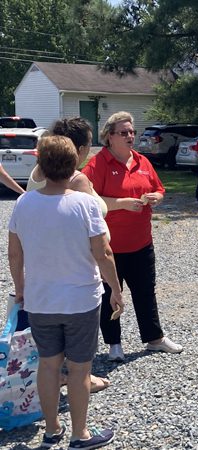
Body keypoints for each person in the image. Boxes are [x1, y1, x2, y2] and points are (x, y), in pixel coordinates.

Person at [8, 135, 122, 449]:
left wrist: (20, 289)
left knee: (48, 364)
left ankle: (51, 430)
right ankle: (80, 434)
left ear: (40, 167)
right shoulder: (85, 204)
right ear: (74, 166)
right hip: (81, 299)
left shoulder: (24, 203)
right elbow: (104, 253)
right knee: (80, 368)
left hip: (41, 299)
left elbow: (15, 255)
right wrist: (116, 289)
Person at [82, 111, 183, 361]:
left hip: (141, 242)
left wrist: (156, 197)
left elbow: (158, 188)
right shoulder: (97, 164)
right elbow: (86, 199)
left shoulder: (142, 161)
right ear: (109, 137)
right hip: (109, 246)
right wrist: (121, 203)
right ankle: (114, 344)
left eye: (132, 132)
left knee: (145, 291)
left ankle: (154, 338)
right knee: (109, 295)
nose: (130, 136)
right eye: (124, 132)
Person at [26, 117, 112, 394]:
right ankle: (77, 378)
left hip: (42, 265)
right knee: (77, 332)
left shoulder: (38, 173)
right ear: (78, 149)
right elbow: (97, 234)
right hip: (76, 265)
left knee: (50, 335)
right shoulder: (78, 179)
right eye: (88, 144)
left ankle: (58, 380)